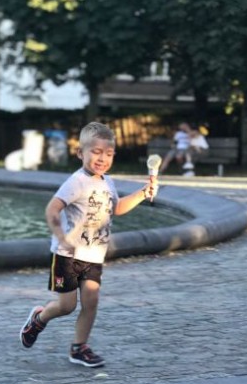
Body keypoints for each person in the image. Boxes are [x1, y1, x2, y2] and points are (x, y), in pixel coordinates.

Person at [19, 121, 158, 368]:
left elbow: (116, 208)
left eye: (108, 153)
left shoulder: (108, 182)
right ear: (80, 153)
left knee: (91, 300)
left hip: (94, 254)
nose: (102, 158)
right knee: (66, 306)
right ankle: (38, 319)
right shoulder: (76, 182)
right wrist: (61, 237)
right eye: (95, 152)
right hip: (67, 255)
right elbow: (52, 209)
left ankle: (79, 347)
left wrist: (142, 193)